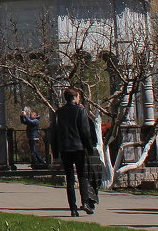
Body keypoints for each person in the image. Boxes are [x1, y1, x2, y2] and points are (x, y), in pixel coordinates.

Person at [52, 87, 96, 217]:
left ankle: (73, 208)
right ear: (75, 97)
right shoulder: (80, 111)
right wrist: (89, 147)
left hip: (65, 149)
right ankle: (86, 203)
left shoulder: (59, 113)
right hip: (78, 148)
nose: (79, 98)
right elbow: (84, 131)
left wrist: (55, 152)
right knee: (82, 176)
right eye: (78, 96)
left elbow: (54, 133)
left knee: (70, 178)